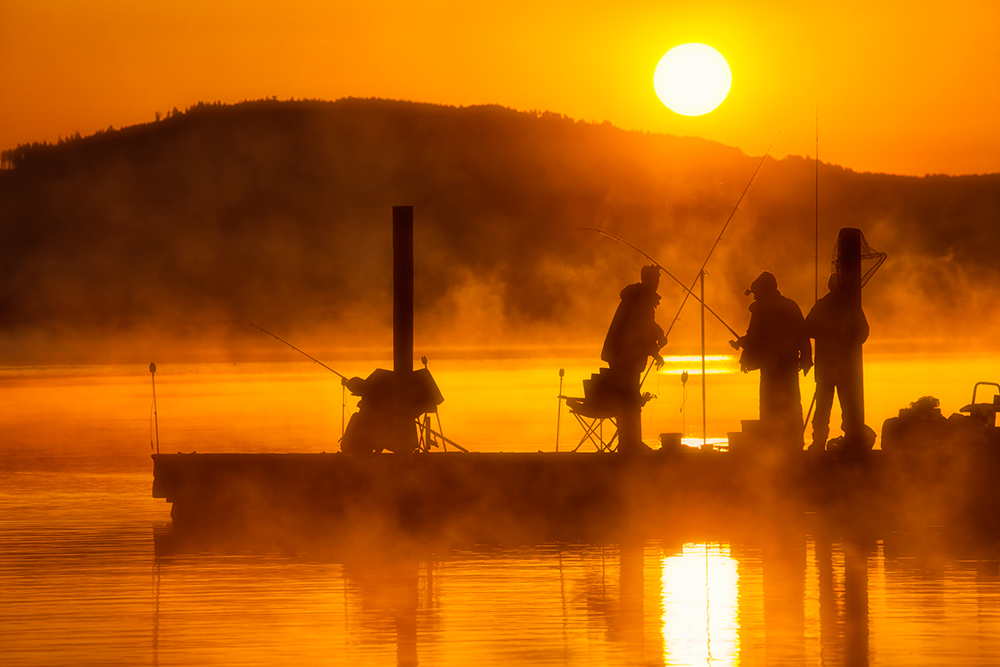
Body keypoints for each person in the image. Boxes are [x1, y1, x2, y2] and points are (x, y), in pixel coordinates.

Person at [734, 271, 812, 447]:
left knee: (769, 404)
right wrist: (806, 358)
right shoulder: (790, 306)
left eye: (756, 293)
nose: (755, 296)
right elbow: (803, 334)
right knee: (792, 402)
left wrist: (743, 352)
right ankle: (795, 442)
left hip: (770, 366)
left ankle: (772, 443)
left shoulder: (761, 310)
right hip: (789, 364)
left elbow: (754, 336)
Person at [601, 265, 667, 454]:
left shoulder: (638, 297)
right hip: (624, 355)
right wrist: (655, 350)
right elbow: (639, 330)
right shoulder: (642, 299)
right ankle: (630, 444)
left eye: (658, 279)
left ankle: (630, 442)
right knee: (629, 398)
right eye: (655, 279)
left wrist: (657, 337)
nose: (657, 283)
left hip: (622, 354)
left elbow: (645, 327)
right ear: (647, 279)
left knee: (629, 397)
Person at [805, 274, 869, 451]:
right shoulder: (851, 306)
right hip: (845, 367)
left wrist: (826, 334)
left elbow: (807, 328)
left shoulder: (822, 305)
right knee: (848, 405)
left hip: (827, 367)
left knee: (823, 406)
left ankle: (818, 442)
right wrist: (849, 342)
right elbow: (864, 331)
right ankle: (850, 439)